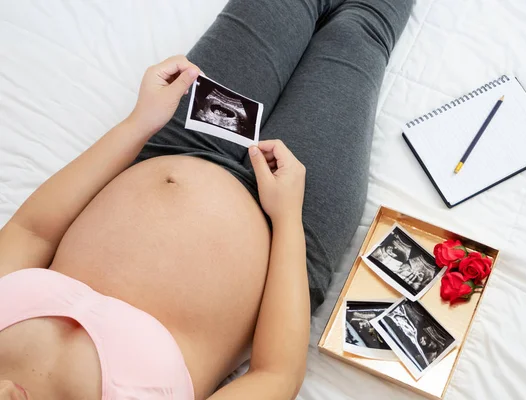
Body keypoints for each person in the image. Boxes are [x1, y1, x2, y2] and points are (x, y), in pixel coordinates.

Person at [0, 0, 412, 398]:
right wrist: (287, 218)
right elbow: (276, 376)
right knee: (360, 33)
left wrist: (139, 123)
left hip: (172, 138)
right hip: (288, 222)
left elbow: (30, 231)